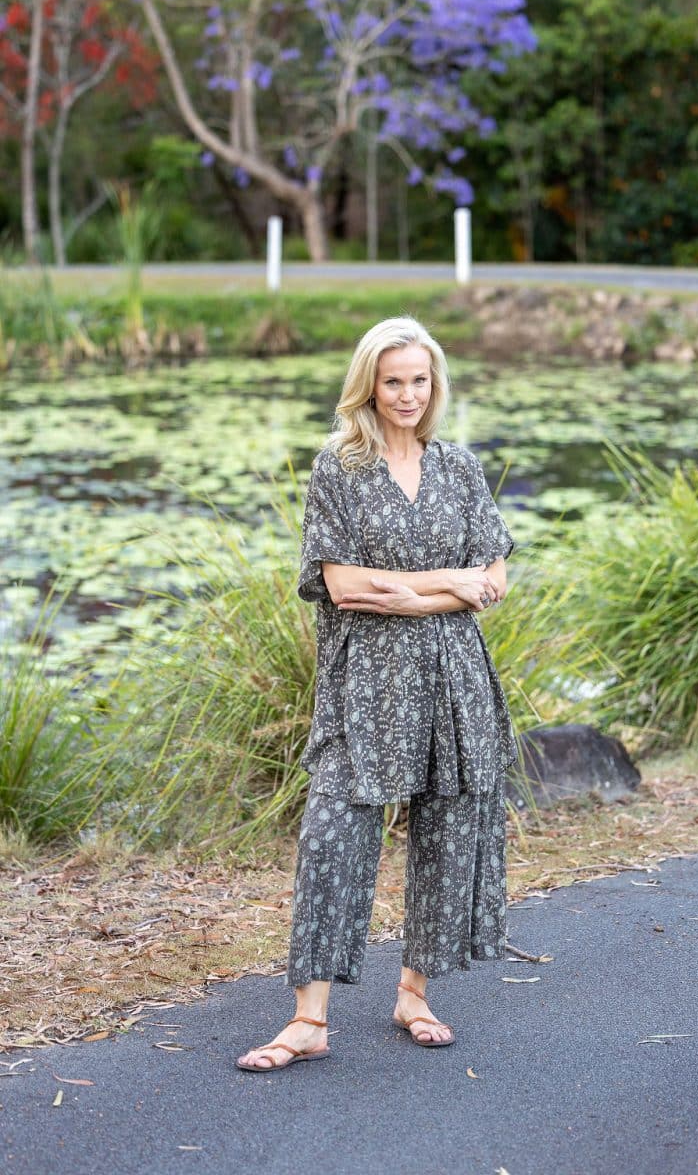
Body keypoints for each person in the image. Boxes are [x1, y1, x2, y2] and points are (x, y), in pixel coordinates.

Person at [236, 317, 517, 1072]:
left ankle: (414, 994)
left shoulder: (458, 468)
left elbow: (493, 579)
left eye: (419, 380)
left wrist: (412, 597)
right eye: (393, 381)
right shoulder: (339, 469)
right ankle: (309, 1019)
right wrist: (447, 585)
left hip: (455, 678)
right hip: (363, 683)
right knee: (333, 834)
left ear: (435, 385)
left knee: (448, 832)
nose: (407, 395)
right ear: (368, 385)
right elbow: (342, 585)